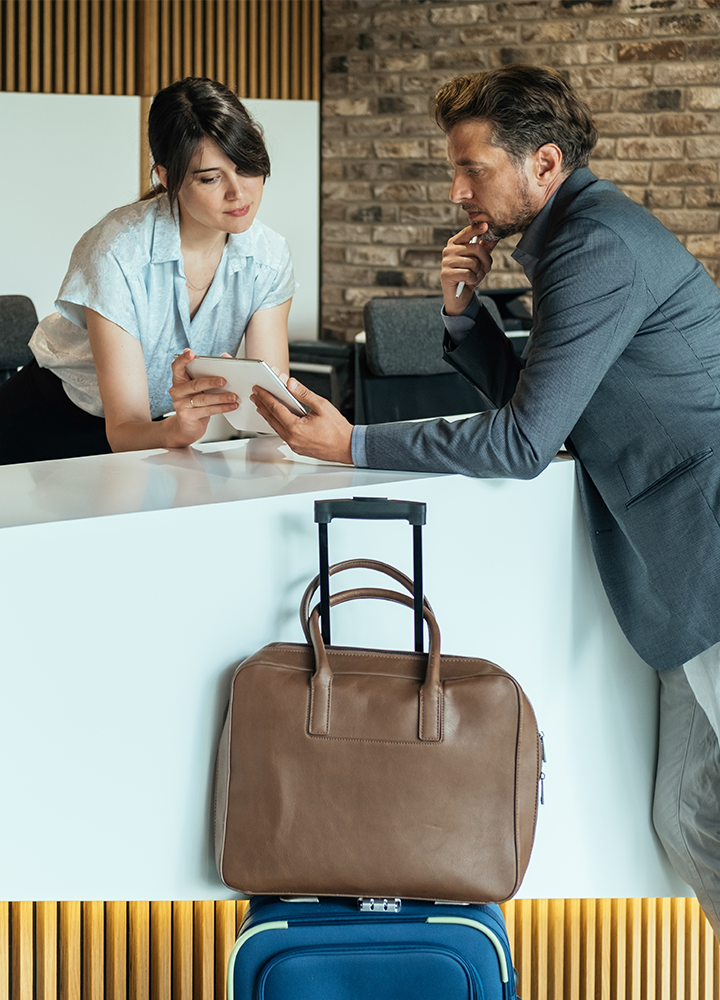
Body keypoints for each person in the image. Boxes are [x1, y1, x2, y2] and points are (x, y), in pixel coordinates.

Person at [252, 64, 720, 935]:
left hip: (708, 546)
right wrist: (463, 314)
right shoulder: (572, 239)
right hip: (684, 569)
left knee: (697, 823)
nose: (457, 188)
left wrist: (351, 443)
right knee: (690, 823)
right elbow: (551, 410)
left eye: (473, 168)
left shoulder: (596, 247)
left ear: (544, 164)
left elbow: (519, 442)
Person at [0, 76, 297, 464]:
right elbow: (124, 427)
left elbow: (269, 410)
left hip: (149, 436)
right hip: (44, 423)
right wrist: (178, 430)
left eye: (247, 167)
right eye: (210, 178)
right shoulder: (118, 249)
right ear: (166, 177)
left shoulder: (268, 257)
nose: (238, 193)